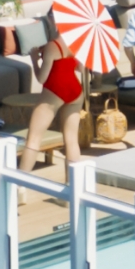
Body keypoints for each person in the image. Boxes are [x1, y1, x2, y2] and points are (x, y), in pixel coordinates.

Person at [19, 30, 88, 172]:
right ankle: (73, 187)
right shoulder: (77, 43)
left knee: (33, 138)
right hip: (74, 90)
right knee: (71, 140)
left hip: (55, 90)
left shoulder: (52, 45)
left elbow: (42, 78)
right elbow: (81, 68)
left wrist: (34, 60)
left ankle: (18, 186)